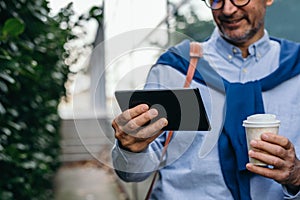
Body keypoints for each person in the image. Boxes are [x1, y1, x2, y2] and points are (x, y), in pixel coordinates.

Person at [111, 0, 300, 199]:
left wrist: (297, 175)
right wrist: (129, 149)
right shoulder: (176, 68)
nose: (228, 10)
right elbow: (133, 173)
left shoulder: (296, 69)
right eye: (217, 0)